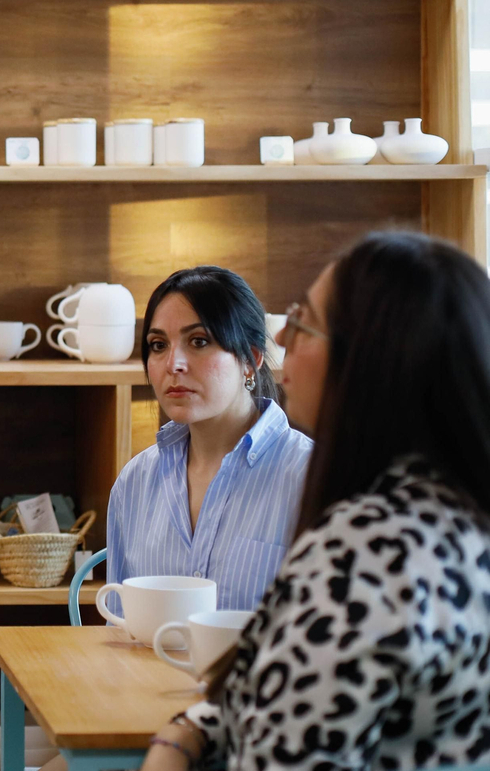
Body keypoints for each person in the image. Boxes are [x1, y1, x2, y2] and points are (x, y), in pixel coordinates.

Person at [142, 232, 490, 771]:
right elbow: (278, 686)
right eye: (158, 345)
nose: (280, 334)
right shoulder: (447, 517)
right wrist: (185, 732)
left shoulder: (370, 553)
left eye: (302, 322)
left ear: (372, 364)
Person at [105, 267, 311, 612]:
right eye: (158, 345)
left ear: (250, 360)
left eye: (199, 341)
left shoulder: (311, 478)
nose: (174, 364)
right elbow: (121, 627)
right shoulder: (134, 483)